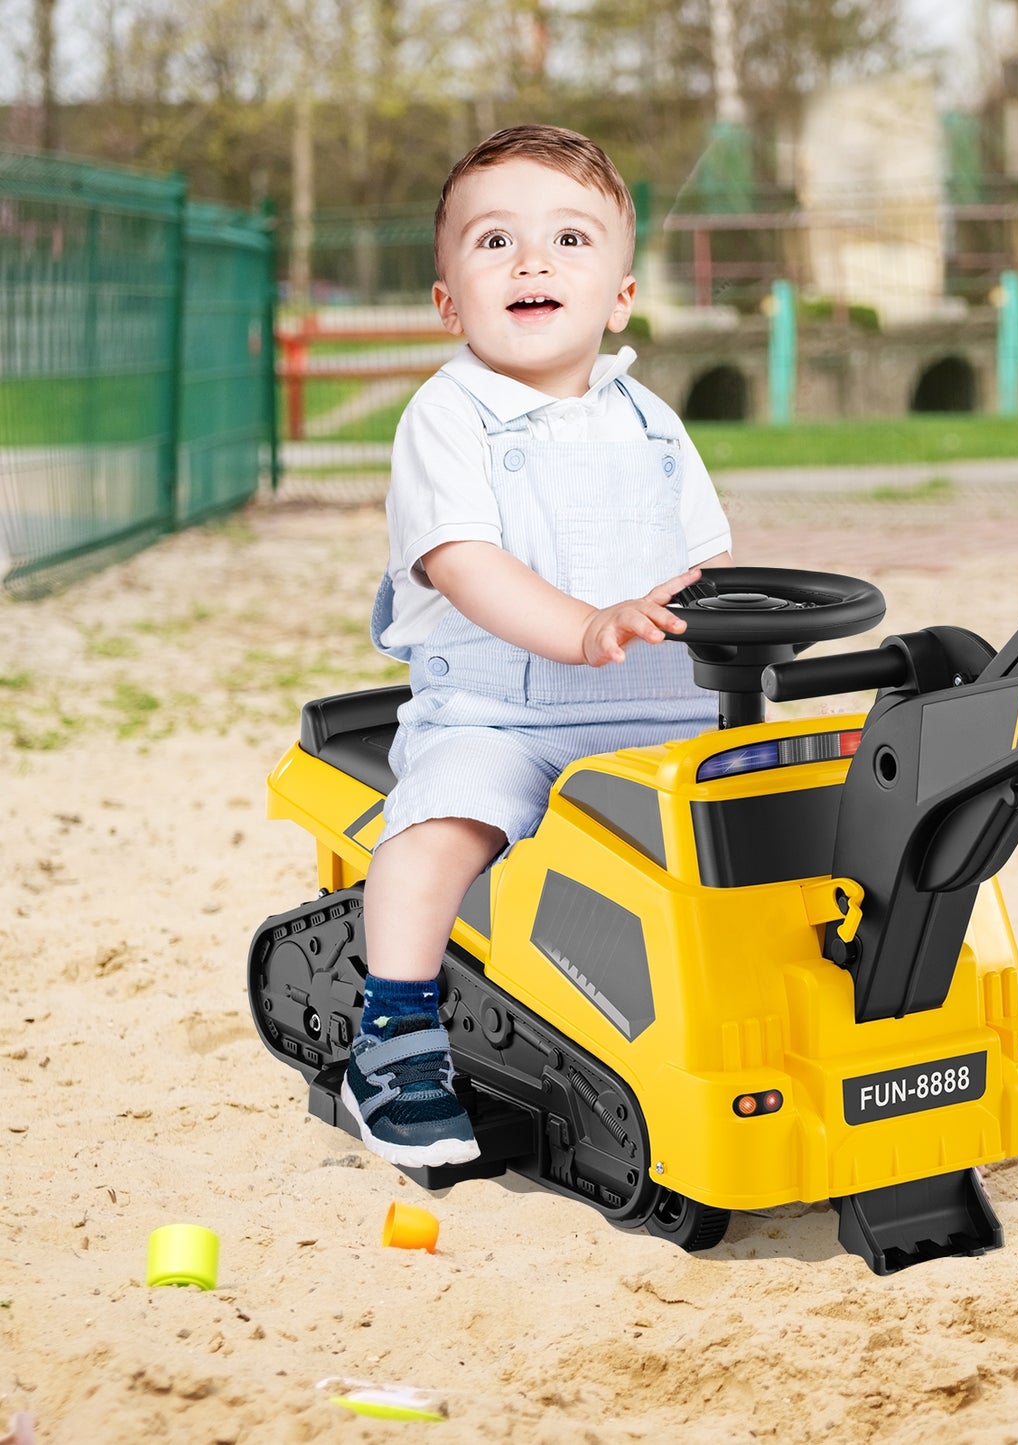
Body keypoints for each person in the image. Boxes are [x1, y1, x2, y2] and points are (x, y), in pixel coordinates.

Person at [345, 125, 733, 1168]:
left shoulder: (650, 421)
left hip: (659, 717)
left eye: (568, 238)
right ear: (447, 301)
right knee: (438, 827)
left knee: (765, 817)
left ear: (617, 295)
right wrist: (583, 626)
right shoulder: (447, 415)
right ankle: (394, 1034)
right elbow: (463, 558)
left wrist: (742, 628)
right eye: (493, 241)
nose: (531, 261)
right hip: (500, 717)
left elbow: (701, 564)